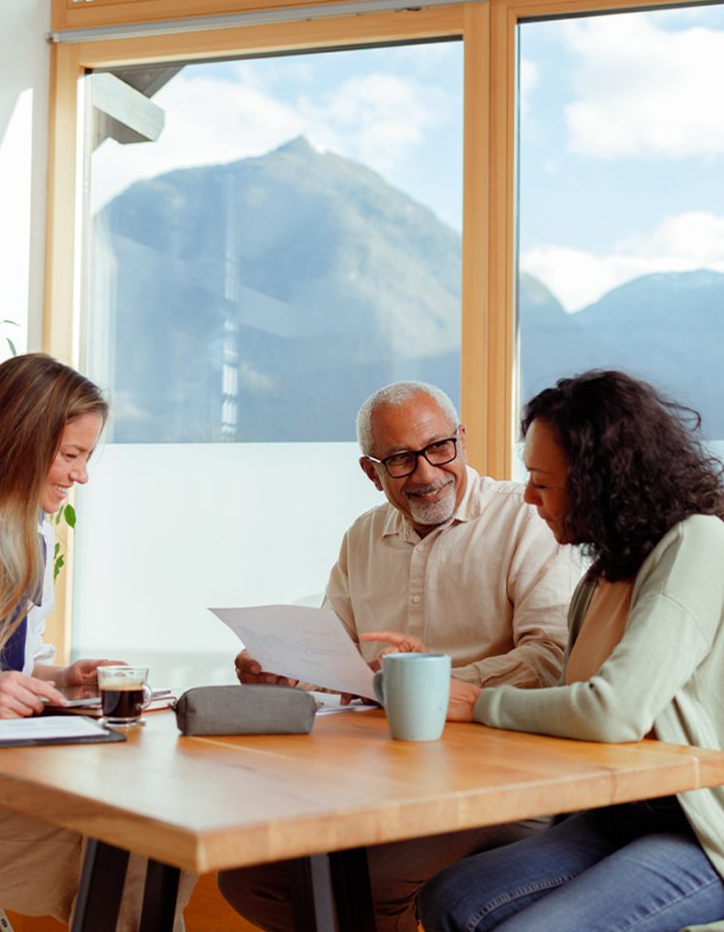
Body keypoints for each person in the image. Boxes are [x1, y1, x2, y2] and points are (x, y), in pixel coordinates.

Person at [221, 380, 582, 932]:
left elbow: (552, 658)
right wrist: (281, 668)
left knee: (369, 881)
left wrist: (423, 681)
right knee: (248, 878)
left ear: (461, 439)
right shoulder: (362, 537)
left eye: (440, 448)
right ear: (371, 472)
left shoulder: (525, 519)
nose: (428, 473)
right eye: (401, 460)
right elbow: (331, 658)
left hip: (494, 782)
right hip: (376, 776)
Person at [385, 369, 724, 932]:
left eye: (543, 480)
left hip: (699, 826)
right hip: (616, 816)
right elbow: (579, 702)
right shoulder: (601, 576)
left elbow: (610, 710)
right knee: (448, 898)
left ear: (599, 479)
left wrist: (480, 703)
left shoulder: (699, 543)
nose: (527, 496)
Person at [0, 353, 195, 929]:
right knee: (141, 853)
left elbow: (10, 665)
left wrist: (61, 678)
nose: (81, 476)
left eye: (85, 457)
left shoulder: (29, 537)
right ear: (17, 443)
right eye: (70, 455)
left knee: (154, 837)